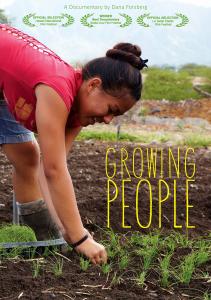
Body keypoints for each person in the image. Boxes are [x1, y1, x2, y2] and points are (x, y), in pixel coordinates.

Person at [0, 23, 148, 265]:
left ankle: (40, 236)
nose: (108, 120)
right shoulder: (56, 89)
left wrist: (64, 229)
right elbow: (55, 172)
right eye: (111, 110)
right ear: (93, 85)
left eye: (115, 117)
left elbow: (47, 168)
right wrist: (81, 238)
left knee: (27, 158)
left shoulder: (78, 111)